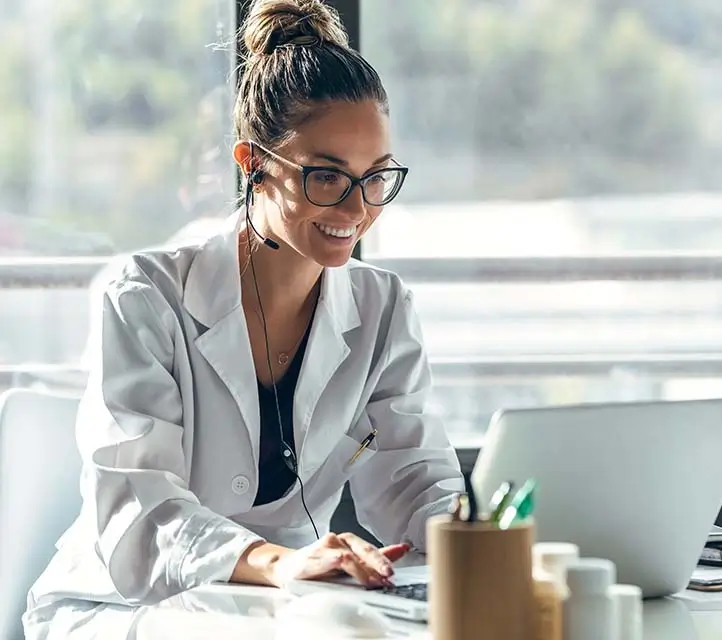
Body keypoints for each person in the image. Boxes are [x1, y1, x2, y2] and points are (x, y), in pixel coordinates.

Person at [24, 0, 464, 633]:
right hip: (124, 606)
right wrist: (281, 563)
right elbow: (141, 512)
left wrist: (479, 542)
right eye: (326, 176)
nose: (356, 206)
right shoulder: (144, 295)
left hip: (279, 606)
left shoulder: (383, 308)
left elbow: (415, 478)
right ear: (252, 162)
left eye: (375, 178)